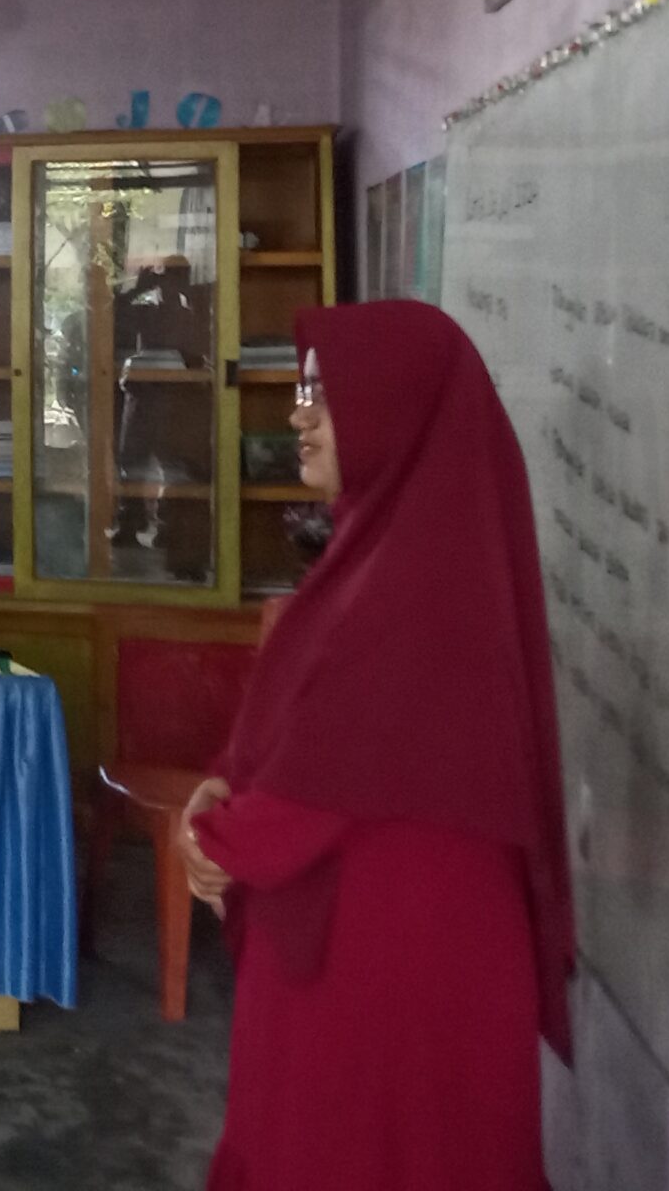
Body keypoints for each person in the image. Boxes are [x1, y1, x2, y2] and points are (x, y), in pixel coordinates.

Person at [178, 302, 572, 1191]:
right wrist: (219, 789)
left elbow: (324, 784)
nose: (298, 414)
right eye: (303, 389)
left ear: (395, 407)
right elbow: (300, 733)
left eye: (326, 392)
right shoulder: (381, 551)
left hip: (397, 963)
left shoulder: (420, 588)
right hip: (364, 941)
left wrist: (212, 836)